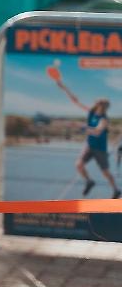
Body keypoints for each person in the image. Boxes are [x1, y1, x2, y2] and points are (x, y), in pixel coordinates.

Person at [48, 66, 119, 197]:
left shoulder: (104, 120)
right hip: (89, 146)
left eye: (100, 104)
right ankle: (89, 181)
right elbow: (75, 100)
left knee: (105, 172)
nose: (98, 105)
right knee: (79, 165)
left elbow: (97, 132)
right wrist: (62, 86)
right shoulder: (91, 112)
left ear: (103, 107)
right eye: (98, 103)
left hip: (100, 149)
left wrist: (81, 126)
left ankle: (116, 190)